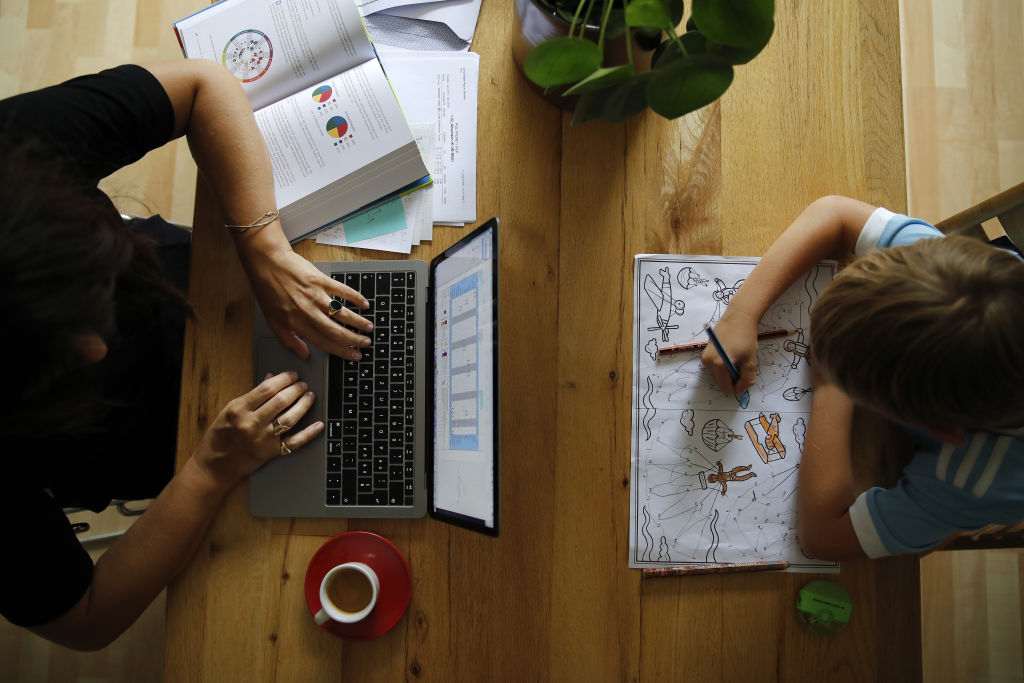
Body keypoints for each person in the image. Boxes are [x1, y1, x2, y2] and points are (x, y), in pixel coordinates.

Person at [0, 61, 373, 649]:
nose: (100, 348)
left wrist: (263, 247)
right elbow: (85, 620)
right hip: (162, 447)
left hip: (211, 291)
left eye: (97, 288)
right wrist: (210, 468)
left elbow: (203, 84)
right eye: (54, 364)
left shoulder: (16, 154)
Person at [701, 195, 1024, 560]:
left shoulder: (979, 483)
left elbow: (823, 539)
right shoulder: (963, 284)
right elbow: (834, 213)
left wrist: (829, 386)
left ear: (946, 430)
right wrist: (741, 314)